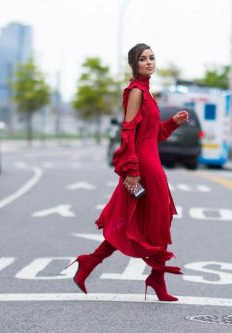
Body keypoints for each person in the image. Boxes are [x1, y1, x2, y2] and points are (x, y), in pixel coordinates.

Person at [66, 43, 188, 302]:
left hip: (152, 162)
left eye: (152, 58)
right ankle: (150, 276)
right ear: (134, 65)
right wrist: (132, 170)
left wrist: (172, 123)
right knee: (147, 219)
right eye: (142, 59)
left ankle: (93, 264)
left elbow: (152, 135)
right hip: (142, 165)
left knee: (148, 219)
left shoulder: (148, 93)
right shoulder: (135, 92)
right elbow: (128, 132)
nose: (149, 62)